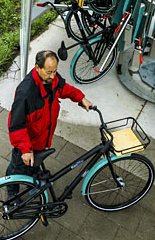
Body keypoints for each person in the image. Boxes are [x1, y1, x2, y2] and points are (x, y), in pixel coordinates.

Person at [6, 50, 93, 180]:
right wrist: (26, 150)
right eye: (49, 72)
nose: (53, 76)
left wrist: (81, 98)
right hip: (29, 145)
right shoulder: (25, 94)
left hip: (42, 140)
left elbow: (64, 89)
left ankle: (33, 178)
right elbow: (16, 125)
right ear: (37, 68)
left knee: (33, 168)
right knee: (16, 170)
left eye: (54, 71)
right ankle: (12, 196)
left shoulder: (51, 79)